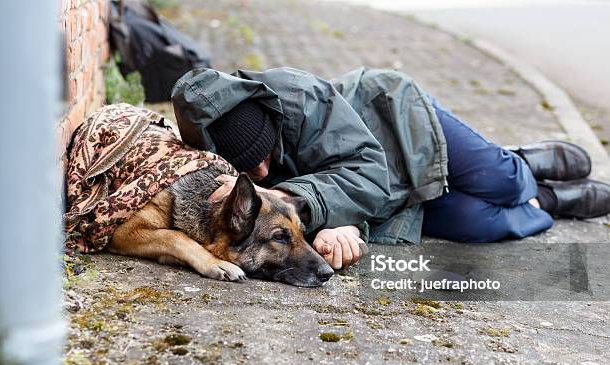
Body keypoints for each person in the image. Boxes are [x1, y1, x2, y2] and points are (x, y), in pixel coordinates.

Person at [171, 67, 610, 270]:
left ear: (268, 119)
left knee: (502, 182)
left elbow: (365, 168)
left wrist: (297, 201)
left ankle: (521, 163)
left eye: (266, 154)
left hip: (397, 127)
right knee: (482, 223)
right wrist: (336, 227)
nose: (263, 172)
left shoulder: (298, 96)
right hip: (377, 199)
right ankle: (549, 199)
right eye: (251, 167)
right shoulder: (216, 156)